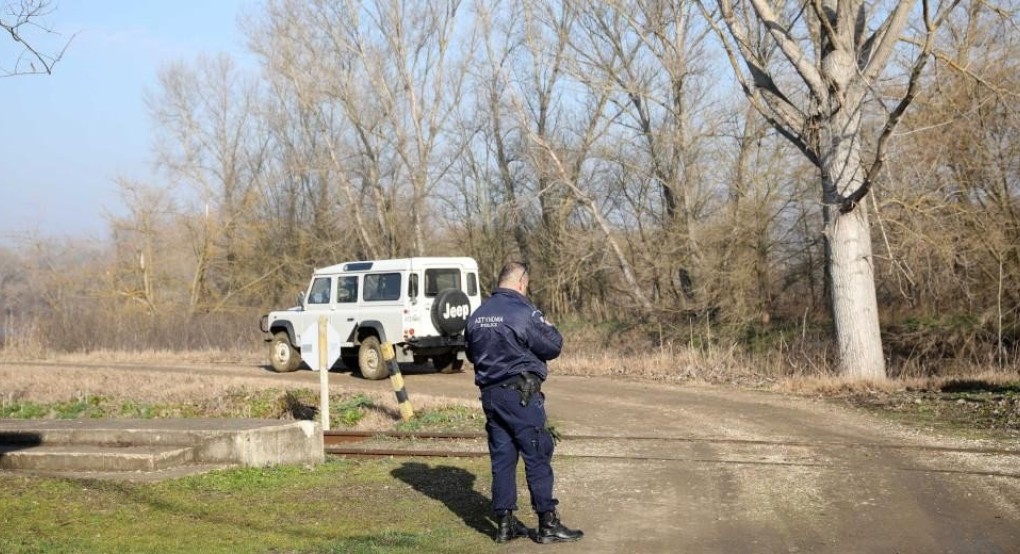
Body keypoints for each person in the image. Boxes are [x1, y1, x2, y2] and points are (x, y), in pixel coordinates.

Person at [465, 261, 584, 544]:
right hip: (521, 396)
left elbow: (471, 353)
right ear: (521, 283)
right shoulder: (523, 312)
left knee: (503, 458)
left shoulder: (477, 315)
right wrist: (551, 327)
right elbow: (552, 346)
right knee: (538, 452)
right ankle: (547, 523)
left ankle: (505, 524)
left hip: (491, 396)